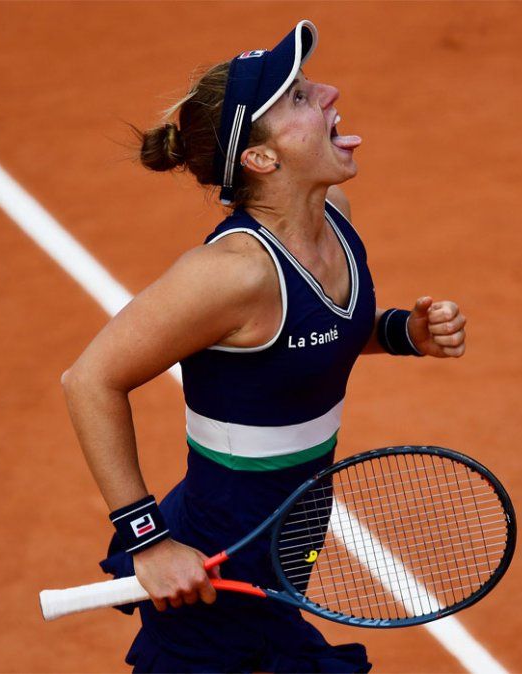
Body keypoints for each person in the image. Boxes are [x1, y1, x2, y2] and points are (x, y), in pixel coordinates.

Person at [61, 20, 468, 673]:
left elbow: (304, 339)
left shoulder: (336, 219)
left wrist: (401, 333)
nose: (330, 92)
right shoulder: (231, 274)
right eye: (302, 99)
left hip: (284, 545)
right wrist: (149, 543)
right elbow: (88, 381)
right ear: (260, 158)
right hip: (215, 567)